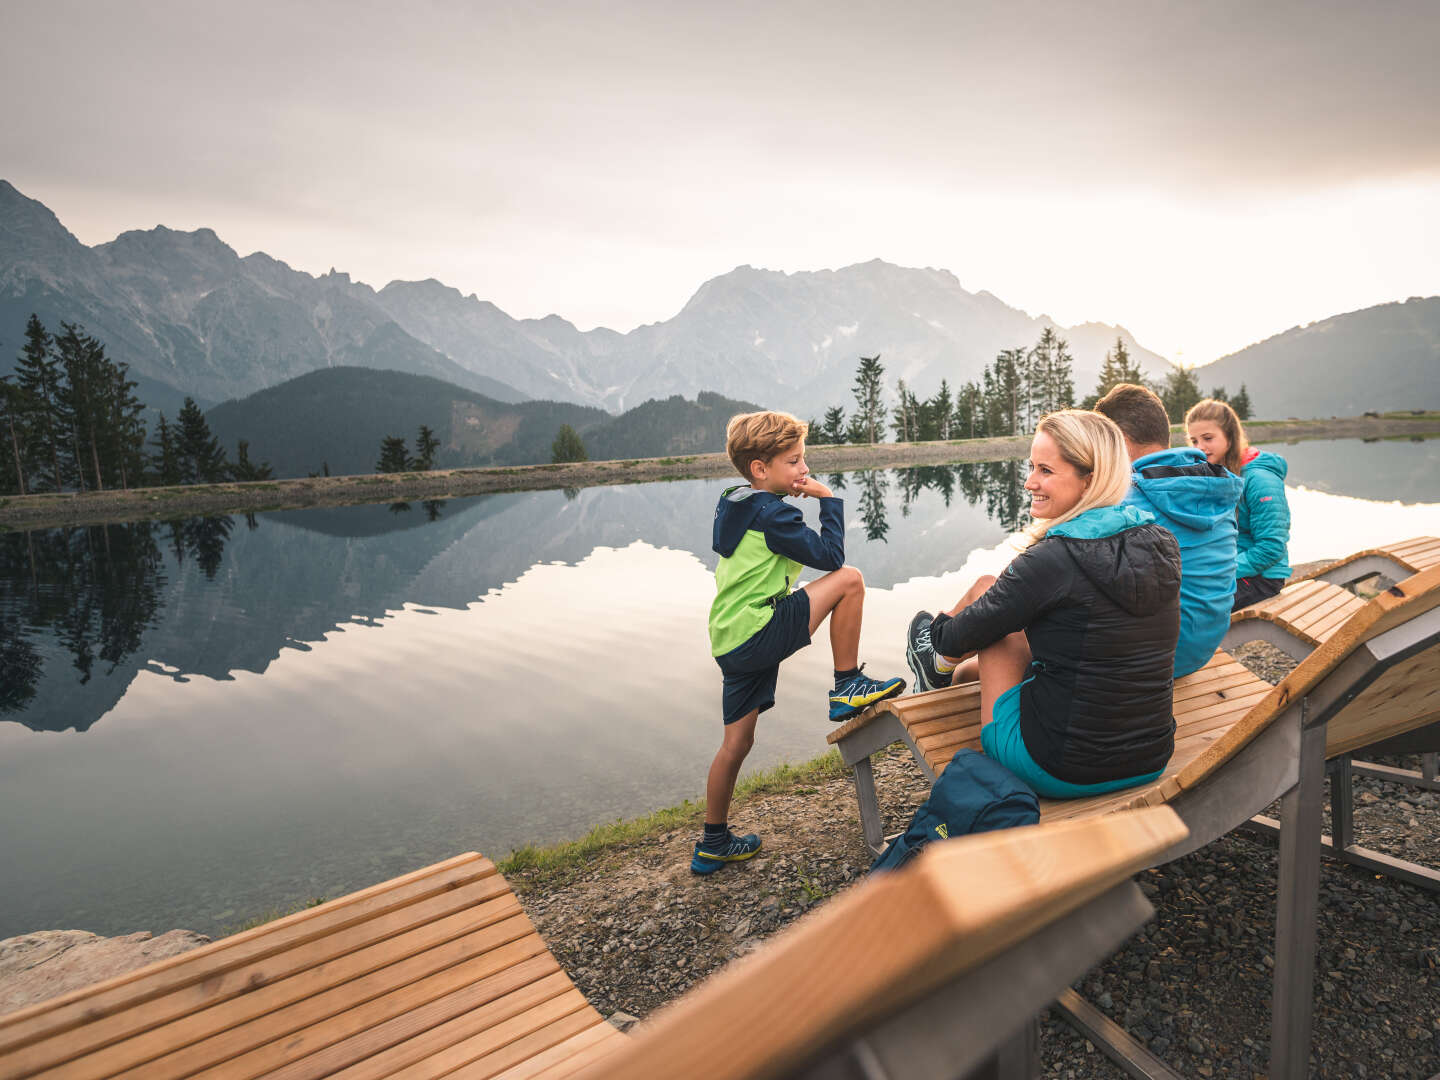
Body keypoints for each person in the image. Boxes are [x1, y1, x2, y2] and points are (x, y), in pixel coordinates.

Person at [904, 410, 1181, 799]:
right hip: (1151, 756)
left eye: (1046, 471)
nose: (1030, 481)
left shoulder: (1054, 558)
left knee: (999, 628)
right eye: (1031, 466)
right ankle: (947, 673)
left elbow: (958, 635)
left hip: (1061, 766)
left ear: (1090, 479)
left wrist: (940, 629)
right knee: (1000, 597)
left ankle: (935, 665)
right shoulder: (1161, 542)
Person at [698, 411, 905, 873]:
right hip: (757, 628)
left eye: (803, 460)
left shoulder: (737, 501)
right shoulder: (775, 516)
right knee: (849, 580)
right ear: (760, 468)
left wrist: (793, 490)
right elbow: (831, 558)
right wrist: (827, 499)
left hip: (730, 637)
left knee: (737, 742)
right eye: (793, 462)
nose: (804, 471)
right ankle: (847, 683)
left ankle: (713, 841)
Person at [1095, 383, 1242, 677]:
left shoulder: (1126, 498)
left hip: (1155, 658)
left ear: (1120, 441)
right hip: (1201, 646)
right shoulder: (1213, 484)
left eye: (1102, 442)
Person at [1185, 399, 1291, 611]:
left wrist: (1220, 571)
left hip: (1261, 578)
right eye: (1194, 441)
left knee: (1188, 608)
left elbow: (1271, 547)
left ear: (1230, 437)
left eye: (1207, 438)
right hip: (1231, 568)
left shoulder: (1261, 481)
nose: (1200, 448)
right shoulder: (1219, 473)